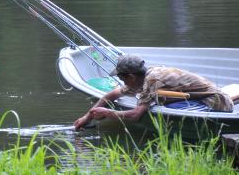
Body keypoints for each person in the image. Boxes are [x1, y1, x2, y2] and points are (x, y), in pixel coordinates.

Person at [74, 54, 234, 130]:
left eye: (123, 79)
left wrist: (108, 113)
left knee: (160, 104)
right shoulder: (140, 78)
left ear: (130, 76)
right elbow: (112, 95)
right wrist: (87, 116)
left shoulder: (152, 80)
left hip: (215, 102)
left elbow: (136, 115)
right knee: (158, 100)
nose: (123, 83)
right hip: (203, 96)